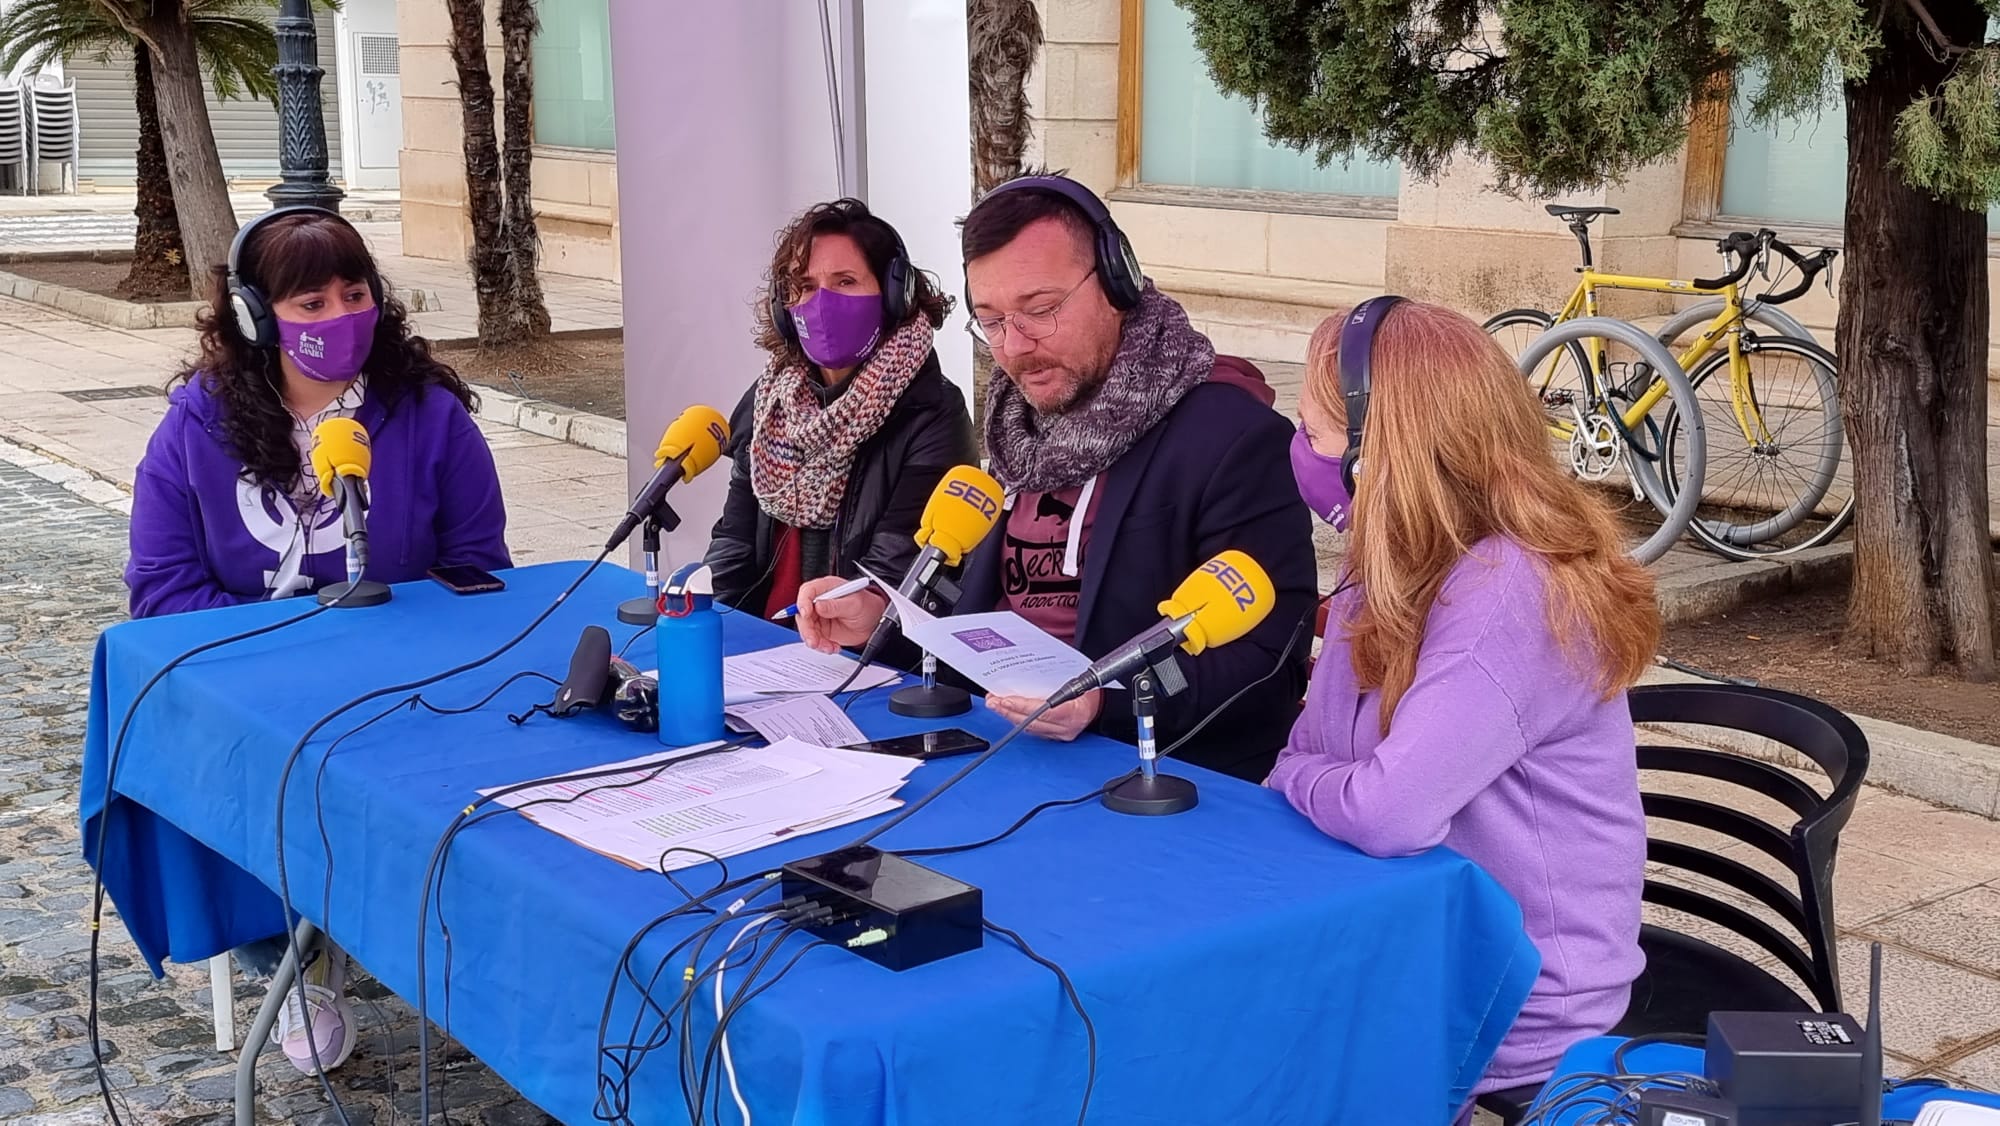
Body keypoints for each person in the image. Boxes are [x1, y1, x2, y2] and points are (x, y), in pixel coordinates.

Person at [126, 206, 511, 1074]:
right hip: (251, 685)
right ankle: (284, 955)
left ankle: (438, 930)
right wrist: (291, 641)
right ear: (258, 318)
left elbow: (479, 566)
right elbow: (160, 588)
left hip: (399, 676)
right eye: (309, 303)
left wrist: (393, 635)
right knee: (244, 766)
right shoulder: (197, 425)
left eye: (354, 292)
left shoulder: (429, 416)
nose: (339, 316)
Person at [1266, 298, 1656, 1109]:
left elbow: (1382, 811)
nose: (1297, 451)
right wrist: (1326, 778)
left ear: (1380, 455)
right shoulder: (1391, 564)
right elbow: (1311, 750)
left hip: (1515, 1006)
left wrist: (1317, 784)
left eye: (1313, 431)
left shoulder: (1510, 592)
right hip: (1406, 939)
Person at [796, 174, 1316, 780]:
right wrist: (882, 621)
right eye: (991, 320)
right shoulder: (1017, 436)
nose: (1015, 347)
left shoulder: (1232, 439)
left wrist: (1104, 700)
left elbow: (1268, 665)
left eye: (1040, 311)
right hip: (1003, 758)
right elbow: (983, 641)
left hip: (1156, 787)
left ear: (1118, 283)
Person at [705, 198, 976, 616]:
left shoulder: (931, 412)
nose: (822, 302)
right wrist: (713, 626)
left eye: (846, 281)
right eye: (806, 287)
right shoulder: (769, 401)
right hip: (761, 645)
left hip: (852, 650)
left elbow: (897, 573)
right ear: (784, 306)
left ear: (893, 296)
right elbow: (734, 545)